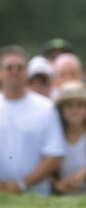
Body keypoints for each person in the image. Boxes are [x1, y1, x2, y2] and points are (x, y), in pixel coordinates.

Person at [0, 45, 65, 195]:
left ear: (27, 72)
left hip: (36, 196)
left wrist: (21, 185)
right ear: (1, 73)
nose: (14, 72)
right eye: (9, 67)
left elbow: (54, 154)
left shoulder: (45, 107)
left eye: (20, 67)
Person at [53, 81, 86, 195]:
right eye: (69, 106)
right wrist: (56, 184)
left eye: (80, 106)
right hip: (60, 198)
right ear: (61, 110)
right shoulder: (55, 134)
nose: (74, 111)